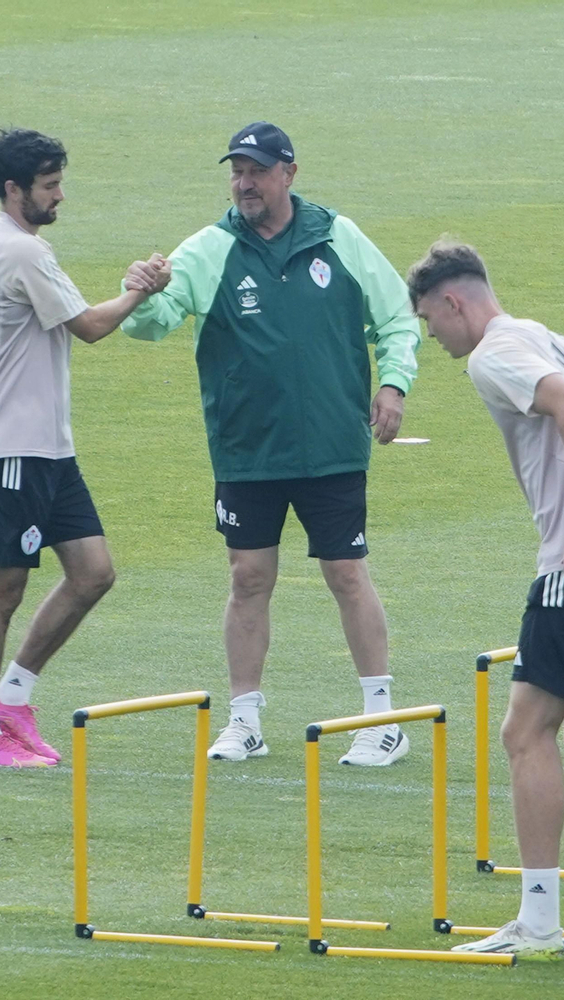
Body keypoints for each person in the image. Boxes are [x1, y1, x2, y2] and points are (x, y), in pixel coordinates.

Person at [121, 122, 421, 766]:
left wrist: (393, 385)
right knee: (248, 577)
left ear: (288, 173)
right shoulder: (209, 248)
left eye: (256, 170)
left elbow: (396, 314)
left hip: (333, 445)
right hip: (247, 447)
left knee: (346, 573)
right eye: (236, 170)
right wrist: (141, 293)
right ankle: (245, 720)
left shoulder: (338, 237)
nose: (244, 182)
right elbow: (152, 326)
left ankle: (383, 719)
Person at [406, 242, 564, 959]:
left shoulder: (495, 352)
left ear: (454, 303)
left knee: (525, 734)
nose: (437, 342)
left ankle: (540, 919)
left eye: (432, 324)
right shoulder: (547, 336)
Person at [0, 128, 168, 767]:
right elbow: (92, 327)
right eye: (49, 186)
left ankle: (14, 699)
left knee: (93, 572)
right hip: (11, 449)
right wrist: (142, 286)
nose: (60, 197)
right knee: (0, 591)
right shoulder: (18, 251)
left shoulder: (15, 245)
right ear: (13, 189)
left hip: (47, 447)